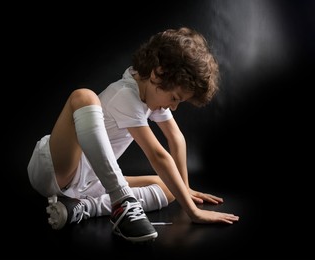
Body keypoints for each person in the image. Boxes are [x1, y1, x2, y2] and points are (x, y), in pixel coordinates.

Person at [27, 26, 239, 243]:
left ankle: (82, 208)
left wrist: (185, 189)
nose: (174, 107)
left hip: (89, 184)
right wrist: (193, 212)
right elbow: (158, 156)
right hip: (55, 172)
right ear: (158, 73)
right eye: (174, 98)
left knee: (169, 188)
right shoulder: (125, 94)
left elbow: (176, 138)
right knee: (84, 97)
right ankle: (121, 201)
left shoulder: (152, 93)